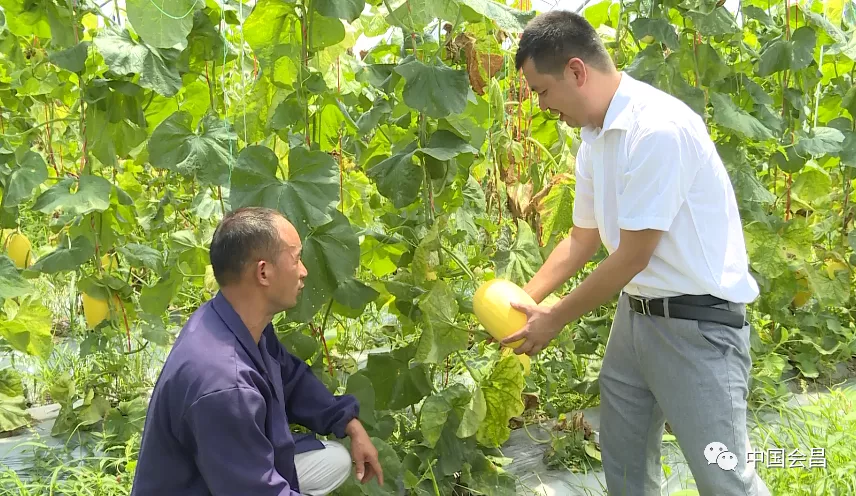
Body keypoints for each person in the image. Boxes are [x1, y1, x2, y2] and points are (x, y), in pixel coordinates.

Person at [501, 10, 771, 496]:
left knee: (724, 477)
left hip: (697, 326)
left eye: (542, 90)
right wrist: (519, 302)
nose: (540, 105)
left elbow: (632, 256)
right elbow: (580, 240)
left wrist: (554, 318)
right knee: (625, 468)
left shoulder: (657, 129)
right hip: (636, 317)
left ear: (577, 71)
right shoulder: (594, 138)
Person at [131, 207, 383, 495]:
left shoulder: (234, 320)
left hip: (223, 472)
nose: (304, 272)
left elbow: (292, 379)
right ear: (263, 272)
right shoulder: (225, 384)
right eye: (296, 258)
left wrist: (349, 422)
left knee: (335, 460)